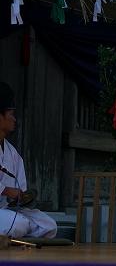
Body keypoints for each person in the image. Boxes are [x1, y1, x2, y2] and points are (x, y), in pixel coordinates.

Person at [0, 82, 57, 239]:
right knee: (19, 224)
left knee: (49, 226)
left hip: (6, 211)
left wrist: (22, 198)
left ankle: (13, 237)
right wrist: (5, 190)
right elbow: (8, 190)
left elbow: (20, 190)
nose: (14, 120)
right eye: (11, 114)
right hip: (5, 216)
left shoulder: (13, 154)